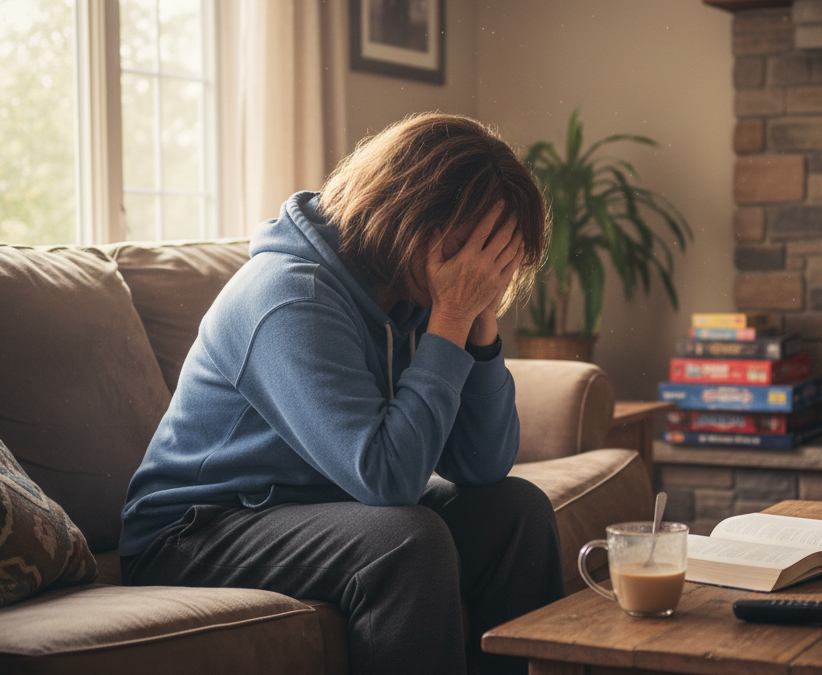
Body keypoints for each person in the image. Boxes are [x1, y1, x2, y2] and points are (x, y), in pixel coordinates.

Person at [119, 112, 563, 675]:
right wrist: (451, 316)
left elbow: (484, 465)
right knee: (408, 539)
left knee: (516, 511)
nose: (490, 267)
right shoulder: (288, 296)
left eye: (503, 253)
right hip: (195, 529)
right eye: (479, 244)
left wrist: (478, 326)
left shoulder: (408, 294)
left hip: (318, 506)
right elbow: (387, 479)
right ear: (414, 213)